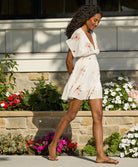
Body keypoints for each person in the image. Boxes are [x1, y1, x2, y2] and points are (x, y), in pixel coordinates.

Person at [48, 5, 119, 164]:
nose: (96, 23)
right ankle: (53, 145)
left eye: (98, 21)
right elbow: (68, 61)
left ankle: (100, 155)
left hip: (94, 78)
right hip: (82, 78)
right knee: (71, 115)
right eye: (95, 20)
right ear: (87, 17)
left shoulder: (93, 34)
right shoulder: (77, 34)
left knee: (98, 116)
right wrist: (74, 79)